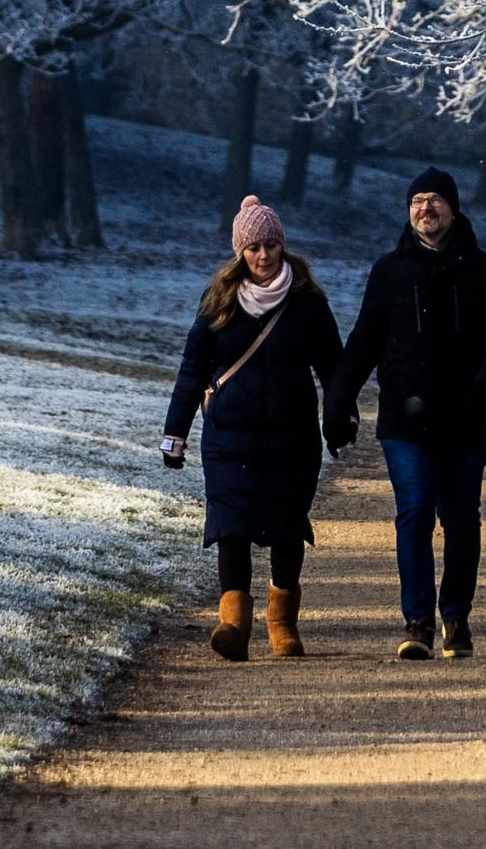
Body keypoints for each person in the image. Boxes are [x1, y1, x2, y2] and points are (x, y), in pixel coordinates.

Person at [327, 165, 486, 658]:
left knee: (461, 520)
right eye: (416, 202)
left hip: (465, 418)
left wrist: (482, 390)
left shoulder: (484, 272)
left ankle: (456, 618)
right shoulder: (389, 271)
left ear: (453, 209)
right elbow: (364, 341)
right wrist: (338, 402)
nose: (425, 209)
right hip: (404, 419)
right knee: (414, 514)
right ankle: (417, 621)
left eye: (434, 200)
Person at [159, 197, 345, 660]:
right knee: (232, 527)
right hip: (229, 436)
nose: (264, 256)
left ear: (283, 246)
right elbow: (192, 370)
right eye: (254, 247)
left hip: (292, 436)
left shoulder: (307, 302)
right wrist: (175, 433)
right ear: (239, 251)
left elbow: (333, 367)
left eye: (271, 245)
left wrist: (340, 418)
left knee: (287, 528)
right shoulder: (218, 300)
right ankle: (234, 624)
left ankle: (282, 625)